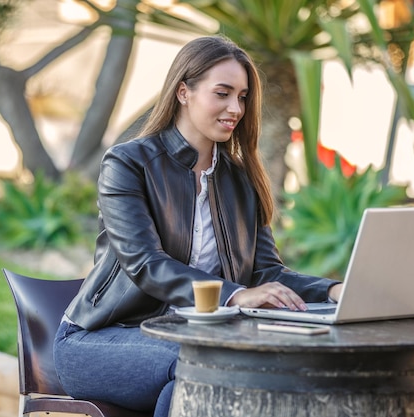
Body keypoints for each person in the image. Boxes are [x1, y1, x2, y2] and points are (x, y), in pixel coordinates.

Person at [53, 34, 343, 417]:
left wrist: (335, 290)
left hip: (195, 340)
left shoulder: (239, 180)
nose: (235, 108)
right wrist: (235, 295)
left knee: (194, 382)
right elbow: (145, 263)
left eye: (242, 97)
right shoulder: (127, 164)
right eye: (222, 93)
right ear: (184, 91)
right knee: (206, 365)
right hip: (100, 339)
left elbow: (266, 272)